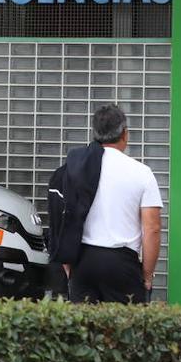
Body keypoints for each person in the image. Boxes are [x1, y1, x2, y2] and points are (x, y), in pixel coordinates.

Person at [68, 104, 162, 304]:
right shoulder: (141, 172)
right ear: (125, 134)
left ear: (94, 134)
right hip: (121, 264)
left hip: (83, 260)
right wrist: (147, 275)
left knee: (82, 330)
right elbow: (152, 228)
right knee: (125, 331)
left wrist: (68, 264)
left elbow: (63, 215)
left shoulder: (76, 168)